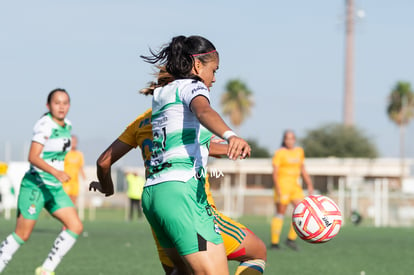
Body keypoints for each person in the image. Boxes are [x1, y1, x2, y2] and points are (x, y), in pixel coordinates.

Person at [93, 35, 251, 275]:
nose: (214, 78)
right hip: (182, 193)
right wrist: (231, 135)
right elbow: (204, 111)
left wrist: (106, 186)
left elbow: (103, 161)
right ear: (198, 66)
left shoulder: (161, 96)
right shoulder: (193, 87)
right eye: (213, 70)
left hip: (154, 195)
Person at [90, 104, 266, 274]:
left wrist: (107, 188)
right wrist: (232, 146)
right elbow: (202, 145)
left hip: (158, 209)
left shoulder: (139, 122)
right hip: (194, 211)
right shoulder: (182, 114)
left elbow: (103, 161)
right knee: (256, 252)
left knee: (181, 271)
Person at [0, 88, 83, 275]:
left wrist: (57, 175)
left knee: (75, 226)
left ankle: (46, 270)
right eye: (57, 103)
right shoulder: (44, 126)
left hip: (53, 188)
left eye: (65, 103)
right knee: (22, 235)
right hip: (35, 186)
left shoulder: (67, 125)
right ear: (48, 105)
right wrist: (56, 172)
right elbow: (33, 156)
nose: (61, 107)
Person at [270, 130, 313, 251]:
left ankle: (291, 239)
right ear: (284, 140)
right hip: (282, 186)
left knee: (302, 211)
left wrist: (309, 184)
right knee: (280, 213)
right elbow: (275, 172)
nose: (290, 140)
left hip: (295, 187)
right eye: (287, 138)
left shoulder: (299, 152)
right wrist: (278, 188)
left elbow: (303, 169)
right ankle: (274, 243)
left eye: (292, 138)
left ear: (295, 140)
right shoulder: (279, 153)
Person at [63, 135, 86, 206]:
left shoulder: (79, 154)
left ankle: (70, 216)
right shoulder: (65, 153)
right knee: (65, 202)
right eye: (72, 141)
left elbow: (81, 168)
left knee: (73, 203)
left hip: (75, 182)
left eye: (75, 141)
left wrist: (85, 181)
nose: (73, 143)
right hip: (66, 182)